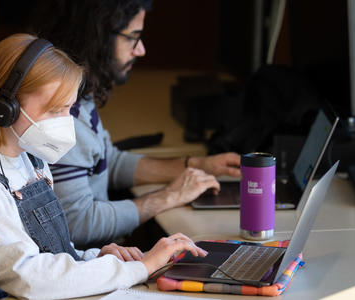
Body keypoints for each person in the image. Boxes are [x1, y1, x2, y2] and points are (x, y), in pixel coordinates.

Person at [0, 33, 207, 299]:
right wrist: (141, 268)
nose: (64, 121)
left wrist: (94, 258)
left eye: (68, 109)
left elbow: (50, 253)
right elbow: (30, 277)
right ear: (3, 107)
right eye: (54, 110)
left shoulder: (30, 160)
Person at [33, 0, 242, 247]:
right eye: (133, 37)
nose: (140, 49)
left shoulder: (79, 96)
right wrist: (169, 196)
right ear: (97, 36)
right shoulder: (62, 114)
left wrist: (200, 165)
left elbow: (106, 162)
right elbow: (77, 224)